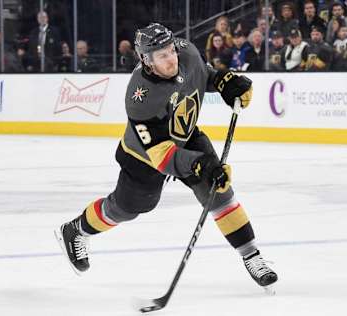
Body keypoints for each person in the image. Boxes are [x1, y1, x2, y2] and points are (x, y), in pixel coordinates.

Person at [55, 23, 278, 290]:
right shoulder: (140, 98)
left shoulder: (188, 53)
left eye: (171, 50)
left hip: (184, 133)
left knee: (218, 191)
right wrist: (200, 165)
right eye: (162, 55)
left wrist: (223, 81)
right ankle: (76, 230)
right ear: (146, 60)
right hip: (144, 158)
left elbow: (201, 74)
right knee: (125, 209)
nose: (171, 58)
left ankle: (251, 255)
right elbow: (162, 157)